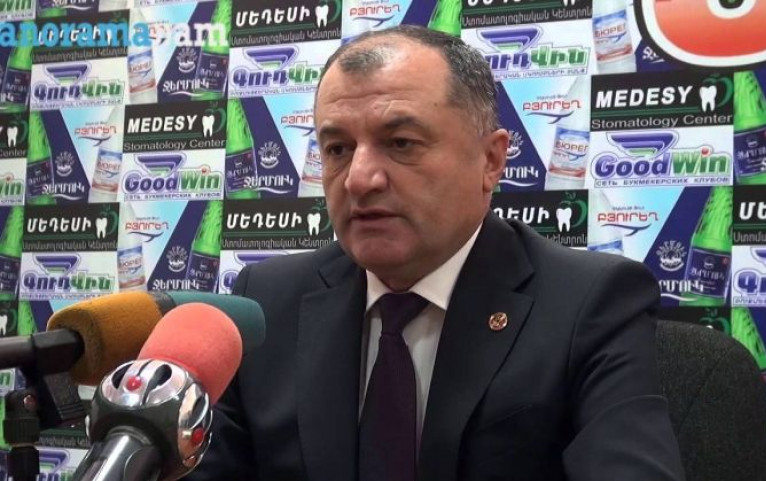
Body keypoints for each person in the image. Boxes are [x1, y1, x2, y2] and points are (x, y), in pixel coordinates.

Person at [186, 26, 685, 481]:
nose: (359, 179)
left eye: (401, 143)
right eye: (337, 149)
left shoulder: (588, 303)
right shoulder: (265, 303)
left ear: (491, 160)